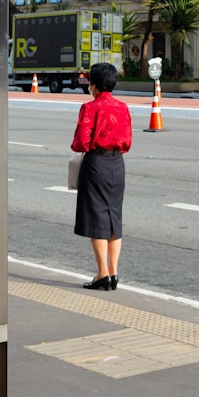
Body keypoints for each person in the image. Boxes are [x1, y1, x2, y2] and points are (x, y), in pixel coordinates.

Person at [71, 62, 132, 291]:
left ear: (93, 84)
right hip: (117, 163)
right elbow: (127, 141)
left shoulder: (90, 108)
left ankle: (101, 273)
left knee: (96, 218)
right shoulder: (123, 107)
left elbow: (80, 143)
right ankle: (114, 273)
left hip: (96, 164)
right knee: (114, 217)